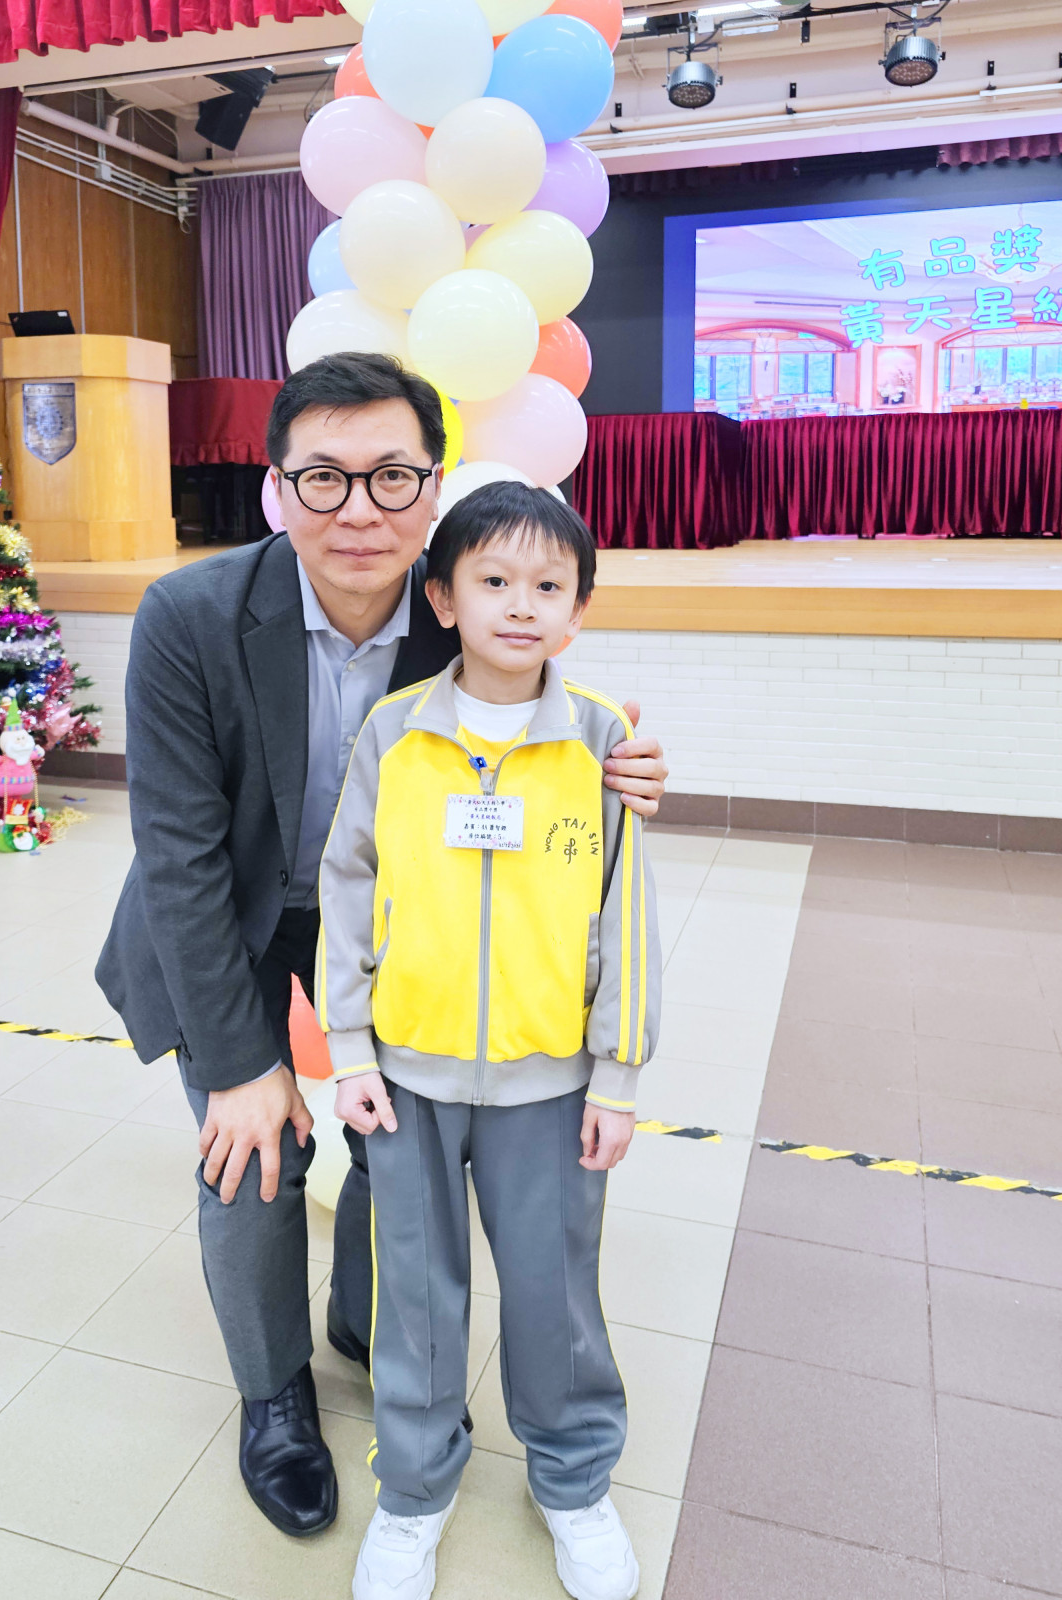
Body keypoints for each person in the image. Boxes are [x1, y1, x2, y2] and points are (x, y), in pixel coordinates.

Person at [95, 354, 669, 1540]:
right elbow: (180, 856)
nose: (359, 509)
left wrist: (614, 756)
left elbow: (537, 708)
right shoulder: (190, 617)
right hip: (227, 913)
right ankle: (275, 1397)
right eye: (324, 477)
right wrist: (245, 1068)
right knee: (253, 1152)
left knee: (389, 1134)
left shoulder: (456, 606)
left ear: (434, 485)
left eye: (392, 476)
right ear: (276, 488)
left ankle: (363, 1317)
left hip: (394, 918)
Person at [318, 481, 661, 1600]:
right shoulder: (394, 731)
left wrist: (616, 1075)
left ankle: (573, 1481)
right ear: (444, 597)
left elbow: (627, 913)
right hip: (407, 1077)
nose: (522, 605)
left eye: (549, 586)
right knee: (416, 1296)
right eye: (495, 580)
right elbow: (347, 890)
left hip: (549, 1083)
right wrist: (351, 1048)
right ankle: (415, 1493)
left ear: (579, 610)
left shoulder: (603, 739)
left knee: (556, 1293)